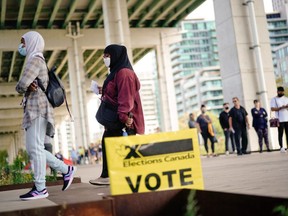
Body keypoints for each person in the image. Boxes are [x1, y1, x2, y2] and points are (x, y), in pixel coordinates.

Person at [15, 31, 76, 201]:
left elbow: (21, 85)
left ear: (32, 42)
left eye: (23, 42)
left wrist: (23, 87)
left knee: (35, 148)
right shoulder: (35, 59)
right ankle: (66, 170)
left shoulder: (35, 59)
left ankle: (40, 188)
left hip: (37, 109)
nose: (21, 46)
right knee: (35, 148)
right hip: (37, 109)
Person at [89, 44, 145, 186]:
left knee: (113, 145)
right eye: (104, 56)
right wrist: (103, 90)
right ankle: (108, 176)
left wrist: (124, 118)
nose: (105, 59)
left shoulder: (124, 73)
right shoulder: (117, 71)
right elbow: (117, 92)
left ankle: (111, 177)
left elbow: (126, 99)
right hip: (118, 118)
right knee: (108, 143)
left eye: (107, 56)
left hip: (122, 119)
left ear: (116, 56)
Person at [270, 86, 288, 153]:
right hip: (279, 119)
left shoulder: (286, 98)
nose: (281, 93)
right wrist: (280, 108)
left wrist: (286, 107)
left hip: (287, 118)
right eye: (280, 92)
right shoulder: (274, 99)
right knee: (280, 133)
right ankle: (281, 147)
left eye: (282, 92)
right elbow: (272, 109)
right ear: (277, 92)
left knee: (287, 133)